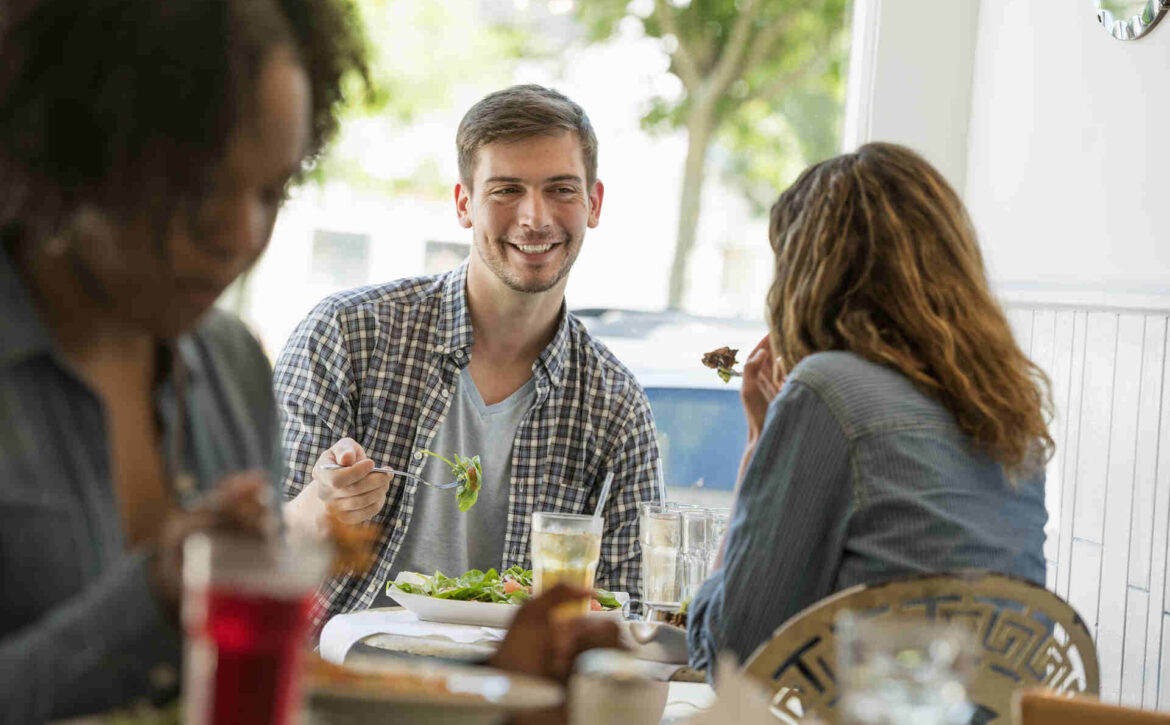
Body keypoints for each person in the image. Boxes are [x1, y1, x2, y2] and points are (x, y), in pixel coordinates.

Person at [0, 3, 616, 722]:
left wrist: (496, 687)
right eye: (200, 186)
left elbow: (270, 689)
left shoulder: (226, 367)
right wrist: (156, 596)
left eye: (272, 191)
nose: (241, 233)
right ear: (79, 144)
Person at [275, 84, 662, 627]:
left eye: (561, 190)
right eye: (506, 189)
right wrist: (324, 505)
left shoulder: (614, 406)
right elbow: (256, 549)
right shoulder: (347, 334)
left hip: (509, 701)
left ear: (593, 203)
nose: (535, 217)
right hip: (335, 682)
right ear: (464, 204)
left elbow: (630, 613)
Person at [686, 143, 1052, 673]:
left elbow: (732, 652)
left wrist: (756, 449)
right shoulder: (1006, 406)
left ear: (809, 276)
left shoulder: (827, 388)